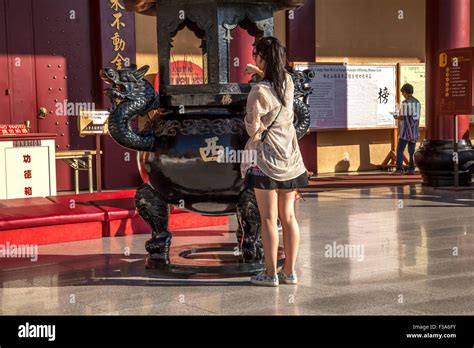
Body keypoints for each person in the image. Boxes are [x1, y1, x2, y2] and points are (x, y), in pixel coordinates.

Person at [241, 36, 309, 287]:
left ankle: (270, 274)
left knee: (268, 219)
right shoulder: (289, 83)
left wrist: (256, 81)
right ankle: (289, 272)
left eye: (256, 55)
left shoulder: (257, 92)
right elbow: (275, 83)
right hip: (290, 159)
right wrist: (260, 72)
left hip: (266, 161)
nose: (253, 58)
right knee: (288, 217)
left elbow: (252, 129)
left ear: (262, 58)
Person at [393, 83, 421, 175]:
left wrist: (395, 116)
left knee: (400, 149)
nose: (402, 94)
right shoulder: (417, 102)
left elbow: (402, 117)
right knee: (411, 151)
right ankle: (411, 169)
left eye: (402, 92)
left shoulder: (405, 103)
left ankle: (399, 169)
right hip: (414, 130)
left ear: (405, 92)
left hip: (405, 131)